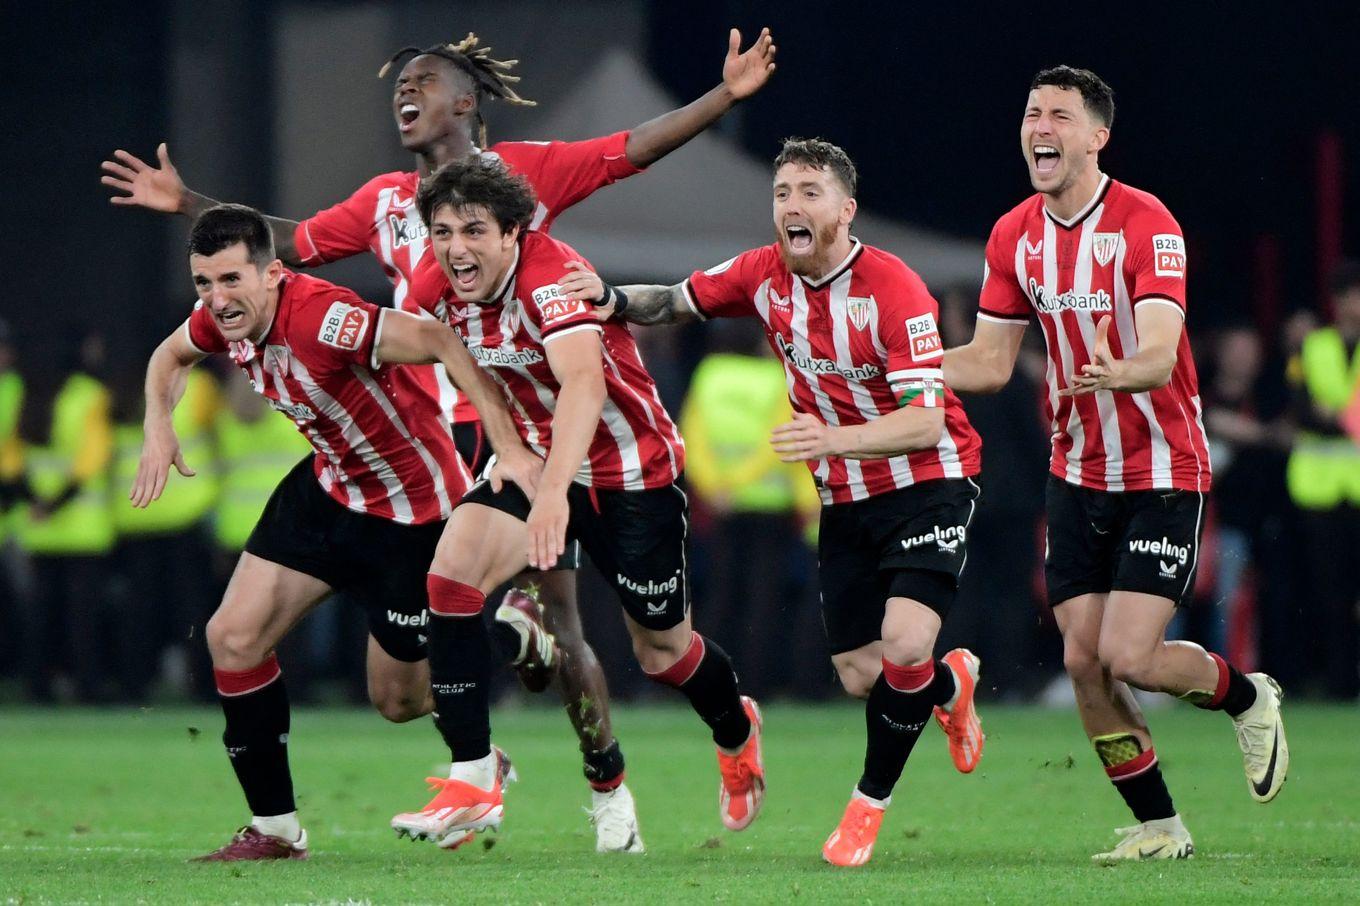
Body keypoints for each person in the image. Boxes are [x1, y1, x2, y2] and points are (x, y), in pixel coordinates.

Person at [101, 29, 777, 846]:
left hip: (602, 451)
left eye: (420, 80)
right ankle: (478, 769)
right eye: (398, 84)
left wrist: (725, 98)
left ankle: (617, 780)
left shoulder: (531, 208)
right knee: (451, 585)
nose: (402, 93)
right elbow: (289, 251)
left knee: (634, 644)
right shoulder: (393, 208)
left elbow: (629, 151)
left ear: (465, 102)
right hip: (478, 432)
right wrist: (193, 209)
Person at [584, 138, 987, 868]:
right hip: (845, 495)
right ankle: (950, 683)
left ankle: (865, 808)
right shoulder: (759, 274)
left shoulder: (895, 289)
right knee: (865, 675)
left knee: (902, 645)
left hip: (928, 480)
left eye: (809, 192)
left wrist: (831, 436)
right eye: (781, 193)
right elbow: (675, 300)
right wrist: (609, 299)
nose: (792, 206)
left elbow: (926, 420)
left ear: (846, 209)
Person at [942, 66, 1288, 862]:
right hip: (1078, 472)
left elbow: (1163, 353)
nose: (1041, 128)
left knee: (1130, 655)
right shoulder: (1013, 235)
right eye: (1032, 113)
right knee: (1082, 661)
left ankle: (1246, 694)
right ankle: (1162, 828)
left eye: (1060, 115)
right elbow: (991, 362)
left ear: (1097, 136)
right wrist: (902, 364)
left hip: (1162, 467)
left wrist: (1115, 370)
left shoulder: (1146, 222)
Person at [134, 203, 541, 861]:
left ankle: (506, 638)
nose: (217, 299)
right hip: (329, 490)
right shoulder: (220, 319)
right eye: (204, 283)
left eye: (232, 280)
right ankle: (276, 830)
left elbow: (439, 341)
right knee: (231, 637)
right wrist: (159, 422)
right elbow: (167, 356)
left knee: (397, 701)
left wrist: (504, 443)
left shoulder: (324, 317)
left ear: (271, 274)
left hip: (411, 516)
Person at [387, 158, 763, 850]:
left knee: (662, 653)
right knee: (450, 575)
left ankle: (737, 729)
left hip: (630, 472)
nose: (455, 248)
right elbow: (453, 356)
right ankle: (475, 777)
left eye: (473, 230)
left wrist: (557, 492)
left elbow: (585, 385)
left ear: (512, 234)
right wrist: (510, 447)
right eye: (442, 231)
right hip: (536, 462)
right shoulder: (436, 284)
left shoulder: (550, 276)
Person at [14, 334, 116, 702]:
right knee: (82, 616)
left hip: (37, 523)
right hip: (82, 524)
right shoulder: (88, 394)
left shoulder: (26, 392)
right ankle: (87, 685)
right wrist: (57, 503)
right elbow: (93, 459)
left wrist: (36, 502)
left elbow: (9, 459)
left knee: (41, 612)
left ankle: (36, 686)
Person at [1285, 261, 1360, 699]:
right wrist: (1335, 417)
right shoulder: (1313, 346)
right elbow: (1300, 405)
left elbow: (1321, 409)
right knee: (1329, 593)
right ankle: (1338, 683)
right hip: (1318, 489)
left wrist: (1330, 412)